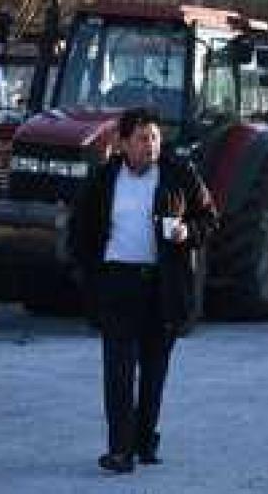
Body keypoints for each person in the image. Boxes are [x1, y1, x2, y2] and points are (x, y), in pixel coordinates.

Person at [68, 106, 219, 474]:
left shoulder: (179, 174)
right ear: (122, 144)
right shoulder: (104, 179)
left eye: (154, 137)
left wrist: (189, 233)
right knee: (118, 372)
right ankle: (120, 449)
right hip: (118, 284)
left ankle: (144, 439)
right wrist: (90, 275)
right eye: (141, 139)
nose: (150, 145)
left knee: (153, 372)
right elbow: (81, 230)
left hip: (162, 285)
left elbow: (209, 217)